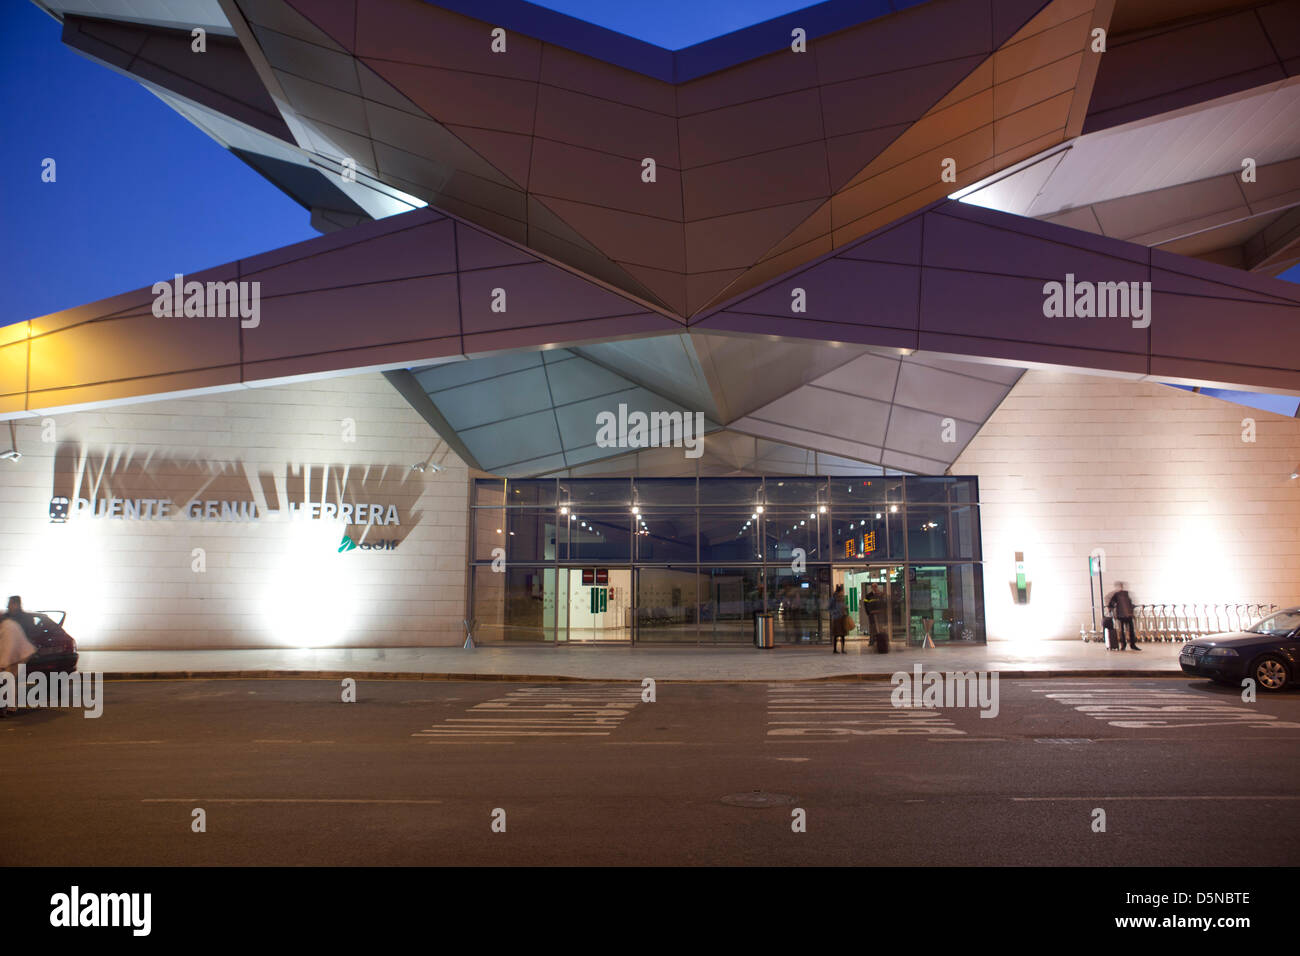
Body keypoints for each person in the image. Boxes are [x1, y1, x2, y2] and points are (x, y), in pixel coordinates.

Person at [0, 612, 37, 717]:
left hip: (20, 655)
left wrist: (2, 665)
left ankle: (9, 707)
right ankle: (9, 706)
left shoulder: (8, 628)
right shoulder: (4, 626)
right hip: (15, 654)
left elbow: (8, 649)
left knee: (8, 679)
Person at [1106, 582, 1140, 651]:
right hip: (1121, 615)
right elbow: (1110, 602)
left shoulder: (1126, 594)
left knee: (1131, 631)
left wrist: (1132, 612)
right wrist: (1111, 609)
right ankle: (1123, 645)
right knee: (1122, 631)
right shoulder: (1116, 594)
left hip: (1128, 615)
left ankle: (1132, 645)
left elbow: (1130, 603)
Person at [830, 584, 849, 653]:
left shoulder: (842, 598)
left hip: (842, 617)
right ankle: (836, 649)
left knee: (842, 634)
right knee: (837, 635)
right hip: (837, 618)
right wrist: (835, 612)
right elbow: (830, 608)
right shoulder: (834, 599)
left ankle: (842, 649)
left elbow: (844, 606)